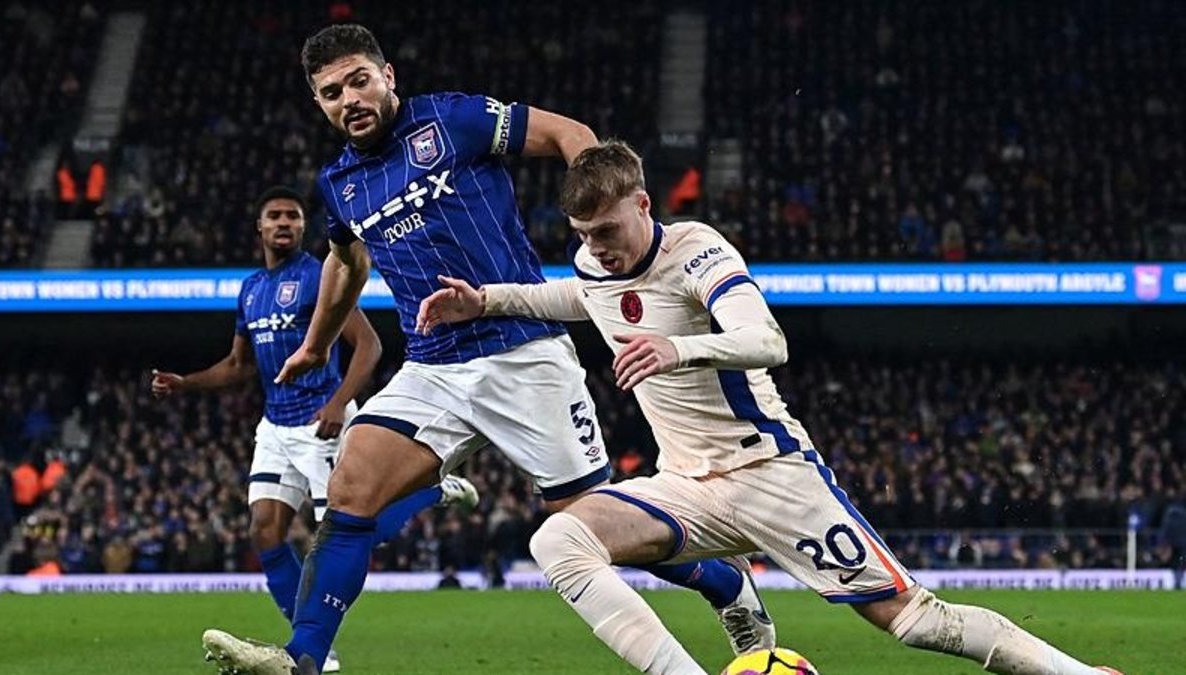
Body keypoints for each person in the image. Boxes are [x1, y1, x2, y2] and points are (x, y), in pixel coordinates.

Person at [415, 141, 1127, 675]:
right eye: (582, 236)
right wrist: (489, 299)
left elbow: (769, 339)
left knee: (912, 620)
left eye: (605, 230)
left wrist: (679, 347)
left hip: (771, 473)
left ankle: (1080, 673)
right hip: (687, 483)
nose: (595, 248)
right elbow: (580, 297)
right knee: (557, 540)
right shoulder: (594, 262)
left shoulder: (699, 253)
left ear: (643, 204)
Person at [201, 25, 773, 675]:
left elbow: (569, 134)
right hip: (433, 364)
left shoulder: (453, 120)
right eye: (331, 92)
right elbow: (345, 262)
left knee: (594, 529)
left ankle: (725, 581)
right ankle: (301, 659)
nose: (349, 98)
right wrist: (314, 342)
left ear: (389, 76)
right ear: (320, 104)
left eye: (359, 79)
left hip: (522, 352)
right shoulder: (340, 181)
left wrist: (606, 235)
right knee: (351, 487)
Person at [155, 186, 478, 673]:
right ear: (259, 228)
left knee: (351, 530)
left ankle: (433, 491)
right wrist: (187, 382)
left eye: (293, 216)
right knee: (265, 531)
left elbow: (368, 347)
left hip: (320, 423)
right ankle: (309, 650)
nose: (284, 223)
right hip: (276, 426)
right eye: (274, 216)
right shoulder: (250, 289)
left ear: (303, 227)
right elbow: (239, 366)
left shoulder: (318, 278)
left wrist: (338, 402)